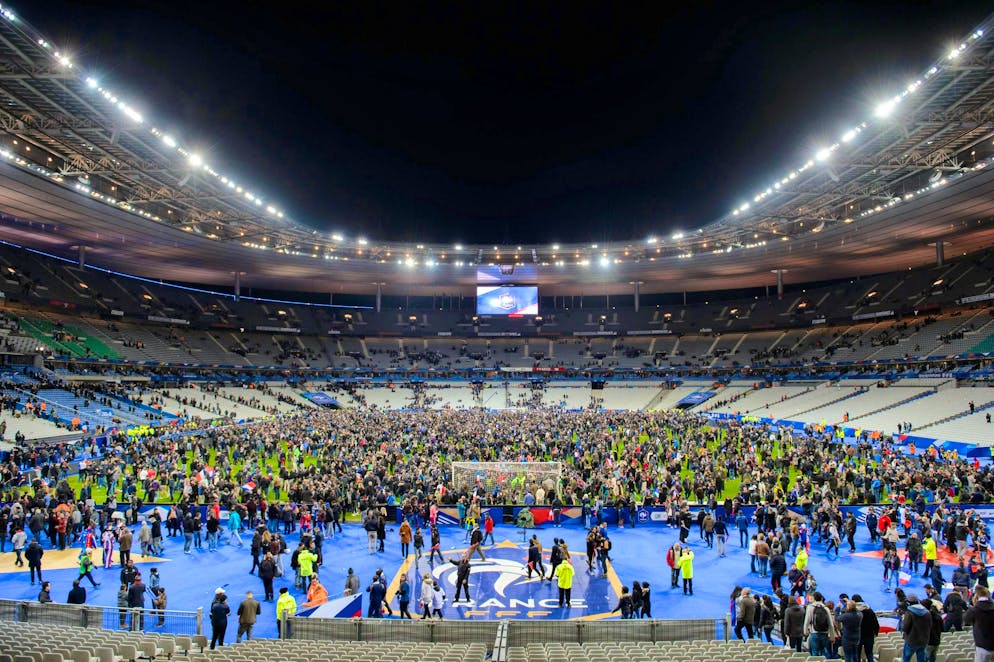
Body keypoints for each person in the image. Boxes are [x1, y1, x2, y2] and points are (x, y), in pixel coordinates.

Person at [965, 585, 994, 662]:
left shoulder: (974, 610)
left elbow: (966, 620)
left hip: (982, 645)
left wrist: (974, 605)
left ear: (976, 596)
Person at [901, 594, 931, 662]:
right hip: (923, 640)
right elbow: (930, 626)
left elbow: (905, 628)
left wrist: (903, 620)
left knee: (906, 658)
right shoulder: (927, 612)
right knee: (921, 659)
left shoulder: (909, 613)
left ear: (908, 602)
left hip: (912, 640)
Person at [804, 591, 834, 658]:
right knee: (823, 652)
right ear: (821, 599)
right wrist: (832, 636)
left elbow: (807, 621)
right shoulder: (826, 608)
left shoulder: (810, 607)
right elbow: (831, 624)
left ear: (814, 598)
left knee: (815, 653)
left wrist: (805, 631)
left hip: (814, 632)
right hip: (825, 633)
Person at [850, 594, 879, 662]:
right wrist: (876, 632)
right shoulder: (869, 610)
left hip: (857, 636)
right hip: (869, 635)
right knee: (869, 654)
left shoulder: (853, 612)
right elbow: (875, 623)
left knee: (857, 654)